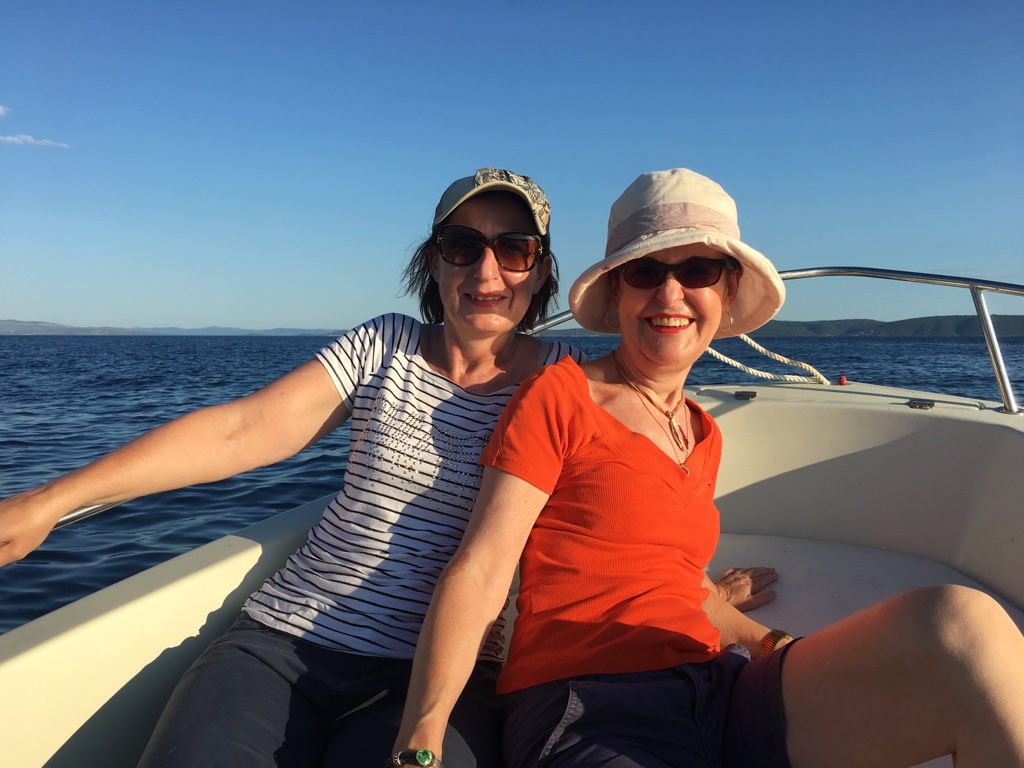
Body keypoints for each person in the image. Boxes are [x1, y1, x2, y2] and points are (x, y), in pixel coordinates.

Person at [0, 166, 776, 768]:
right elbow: (244, 430)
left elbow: (621, 515)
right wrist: (52, 501)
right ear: (431, 263)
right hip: (286, 641)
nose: (487, 272)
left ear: (542, 272)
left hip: (448, 677)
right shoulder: (385, 346)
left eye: (513, 250)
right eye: (462, 247)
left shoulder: (568, 384)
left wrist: (703, 596)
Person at [392, 168, 1024, 768]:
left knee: (962, 629)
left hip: (719, 689)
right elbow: (482, 569)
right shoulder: (560, 396)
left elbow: (673, 576)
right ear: (616, 294)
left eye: (697, 269)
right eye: (645, 271)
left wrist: (762, 639)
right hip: (591, 701)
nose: (670, 294)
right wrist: (422, 737)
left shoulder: (702, 431)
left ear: (726, 292)